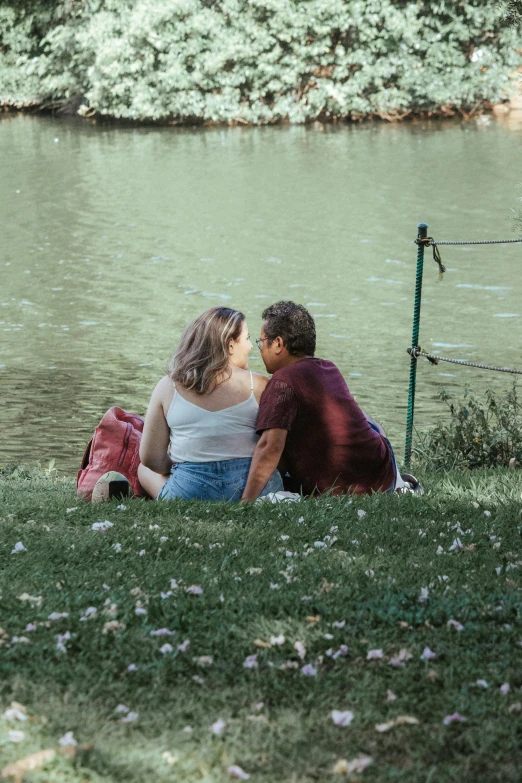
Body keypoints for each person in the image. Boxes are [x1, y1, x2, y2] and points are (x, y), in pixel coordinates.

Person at [241, 301, 416, 502]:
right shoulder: (327, 367)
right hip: (384, 474)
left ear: (279, 344)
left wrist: (246, 502)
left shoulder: (282, 382)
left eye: (261, 341)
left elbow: (269, 447)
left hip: (346, 490)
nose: (260, 349)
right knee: (368, 421)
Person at [138, 307, 283, 501]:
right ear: (230, 345)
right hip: (250, 490)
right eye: (247, 338)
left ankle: (171, 496)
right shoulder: (259, 385)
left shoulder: (168, 386)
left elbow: (150, 458)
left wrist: (184, 468)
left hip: (190, 491)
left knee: (142, 468)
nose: (250, 347)